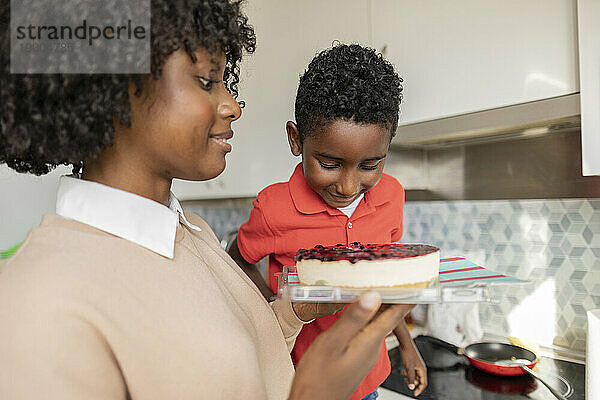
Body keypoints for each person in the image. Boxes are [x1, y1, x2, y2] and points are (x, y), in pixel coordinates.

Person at [0, 1, 412, 399]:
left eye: (224, 80)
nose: (232, 106)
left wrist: (298, 309)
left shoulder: (194, 233)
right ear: (114, 87)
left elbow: (245, 357)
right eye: (205, 81)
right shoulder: (35, 303)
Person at [229, 44, 428, 399]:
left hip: (368, 378)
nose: (349, 186)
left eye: (369, 165)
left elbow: (387, 284)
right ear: (296, 140)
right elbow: (238, 257)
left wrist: (407, 346)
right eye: (330, 163)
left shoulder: (392, 195)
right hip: (303, 383)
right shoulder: (274, 207)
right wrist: (274, 311)